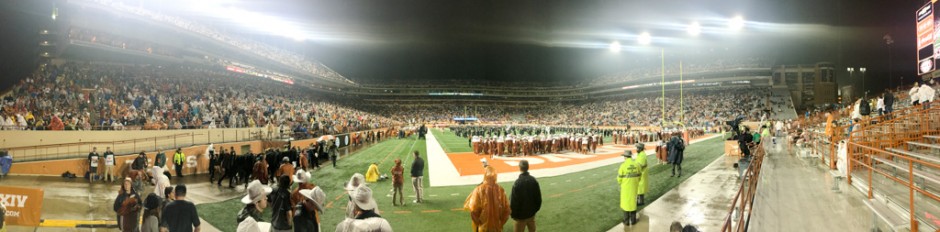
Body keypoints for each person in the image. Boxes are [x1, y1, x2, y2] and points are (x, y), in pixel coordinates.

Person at [464, 165, 511, 232]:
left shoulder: (479, 189)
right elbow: (507, 210)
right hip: (496, 228)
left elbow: (473, 210)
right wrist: (500, 223)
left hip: (483, 228)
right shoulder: (500, 190)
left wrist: (479, 223)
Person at [510, 160, 541, 232]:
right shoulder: (533, 180)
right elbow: (538, 199)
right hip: (531, 215)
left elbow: (513, 202)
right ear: (528, 167)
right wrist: (534, 211)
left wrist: (514, 215)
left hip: (520, 217)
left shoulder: (517, 183)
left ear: (519, 168)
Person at [617, 150, 640, 226]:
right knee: (633, 203)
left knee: (626, 204)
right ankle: (633, 221)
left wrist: (621, 182)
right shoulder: (636, 165)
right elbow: (639, 176)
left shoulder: (623, 166)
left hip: (625, 188)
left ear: (625, 157)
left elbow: (619, 179)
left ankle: (626, 221)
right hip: (634, 187)